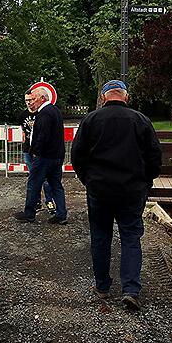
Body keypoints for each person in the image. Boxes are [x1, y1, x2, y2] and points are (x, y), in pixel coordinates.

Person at [70, 80, 162, 311]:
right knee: (131, 237)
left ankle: (102, 286)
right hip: (131, 190)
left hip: (99, 189)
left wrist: (88, 180)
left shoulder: (90, 120)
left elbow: (77, 156)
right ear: (126, 97)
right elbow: (154, 157)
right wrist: (146, 181)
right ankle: (131, 289)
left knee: (100, 237)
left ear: (103, 98)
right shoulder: (141, 121)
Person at [13, 86, 68, 224]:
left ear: (42, 98)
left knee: (33, 184)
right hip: (57, 156)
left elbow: (42, 136)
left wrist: (35, 152)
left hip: (44, 157)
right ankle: (61, 214)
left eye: (34, 99)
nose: (32, 102)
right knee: (56, 185)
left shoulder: (44, 113)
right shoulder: (55, 111)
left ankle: (29, 213)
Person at [18, 89, 54, 214]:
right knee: (33, 177)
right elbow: (23, 131)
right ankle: (36, 202)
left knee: (45, 178)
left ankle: (49, 201)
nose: (28, 103)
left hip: (40, 152)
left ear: (35, 99)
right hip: (28, 150)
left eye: (30, 100)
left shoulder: (42, 113)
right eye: (26, 100)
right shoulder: (23, 115)